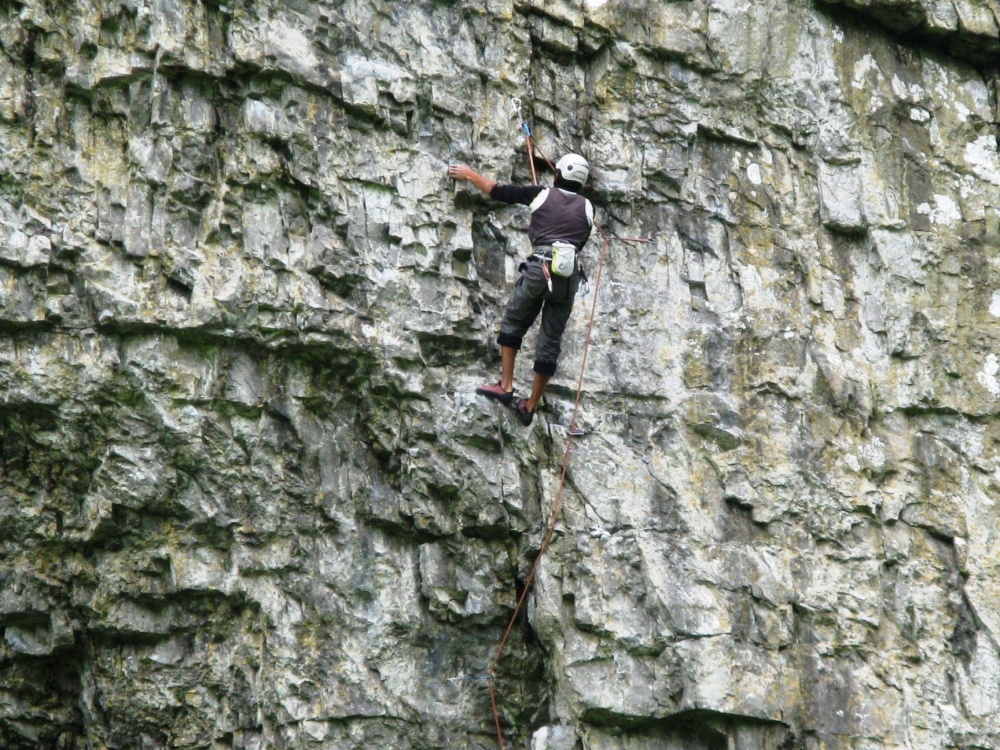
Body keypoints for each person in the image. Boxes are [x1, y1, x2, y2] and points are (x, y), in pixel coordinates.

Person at [448, 154, 594, 426]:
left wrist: (468, 173)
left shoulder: (541, 193)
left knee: (514, 321)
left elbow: (499, 191)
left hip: (541, 268)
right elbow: (580, 240)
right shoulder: (587, 207)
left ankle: (506, 386)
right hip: (568, 274)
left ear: (559, 173)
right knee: (550, 340)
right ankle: (530, 405)